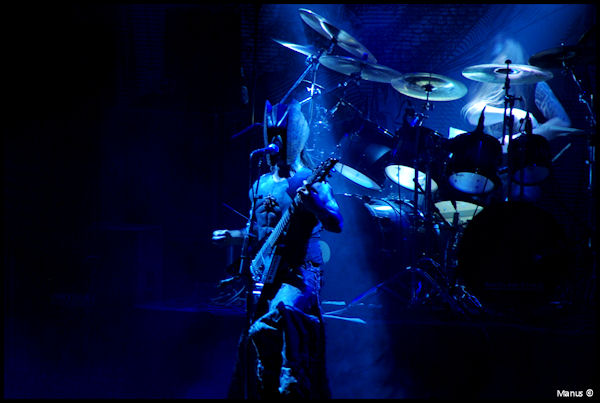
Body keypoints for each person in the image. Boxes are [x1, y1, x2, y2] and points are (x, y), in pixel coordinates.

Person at [212, 99, 343, 398]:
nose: (275, 141)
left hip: (299, 274)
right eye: (271, 134)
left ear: (295, 137)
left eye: (281, 135)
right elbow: (255, 233)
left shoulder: (311, 181)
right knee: (253, 348)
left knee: (280, 316)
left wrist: (318, 206)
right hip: (265, 274)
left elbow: (336, 222)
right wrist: (232, 235)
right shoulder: (259, 185)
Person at [460, 36, 572, 201]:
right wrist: (514, 114)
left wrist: (518, 139)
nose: (495, 61)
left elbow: (562, 121)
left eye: (498, 55)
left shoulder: (534, 84)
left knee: (525, 196)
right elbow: (472, 115)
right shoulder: (486, 85)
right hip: (490, 166)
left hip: (524, 165)